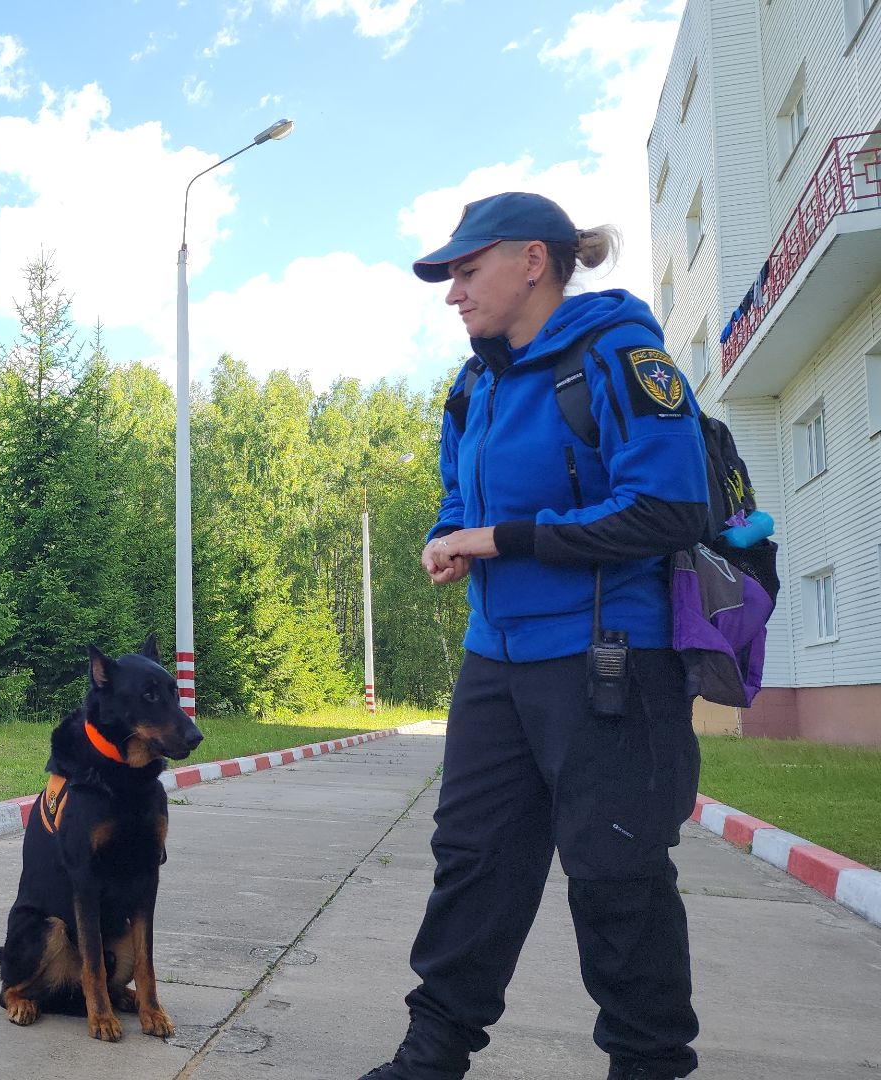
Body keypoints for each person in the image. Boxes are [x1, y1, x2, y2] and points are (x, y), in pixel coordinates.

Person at [361, 193, 711, 1080]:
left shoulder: (621, 356)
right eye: (448, 277)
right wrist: (448, 536)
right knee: (472, 861)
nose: (452, 294)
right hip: (496, 659)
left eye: (466, 271)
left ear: (533, 261)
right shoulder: (475, 382)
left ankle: (650, 1066)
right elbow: (459, 494)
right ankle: (430, 1056)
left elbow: (670, 509)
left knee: (616, 873)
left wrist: (504, 539)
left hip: (608, 658)